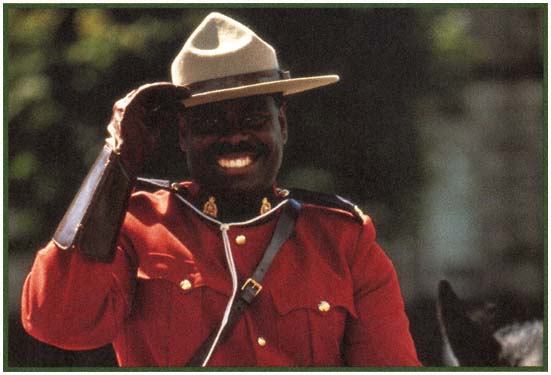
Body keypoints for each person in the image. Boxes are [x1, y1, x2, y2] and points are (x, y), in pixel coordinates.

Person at [21, 12, 421, 367]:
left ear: (281, 124)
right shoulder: (135, 229)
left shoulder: (342, 239)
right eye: (211, 123)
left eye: (253, 118)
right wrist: (116, 160)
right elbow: (57, 323)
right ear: (183, 134)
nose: (234, 137)